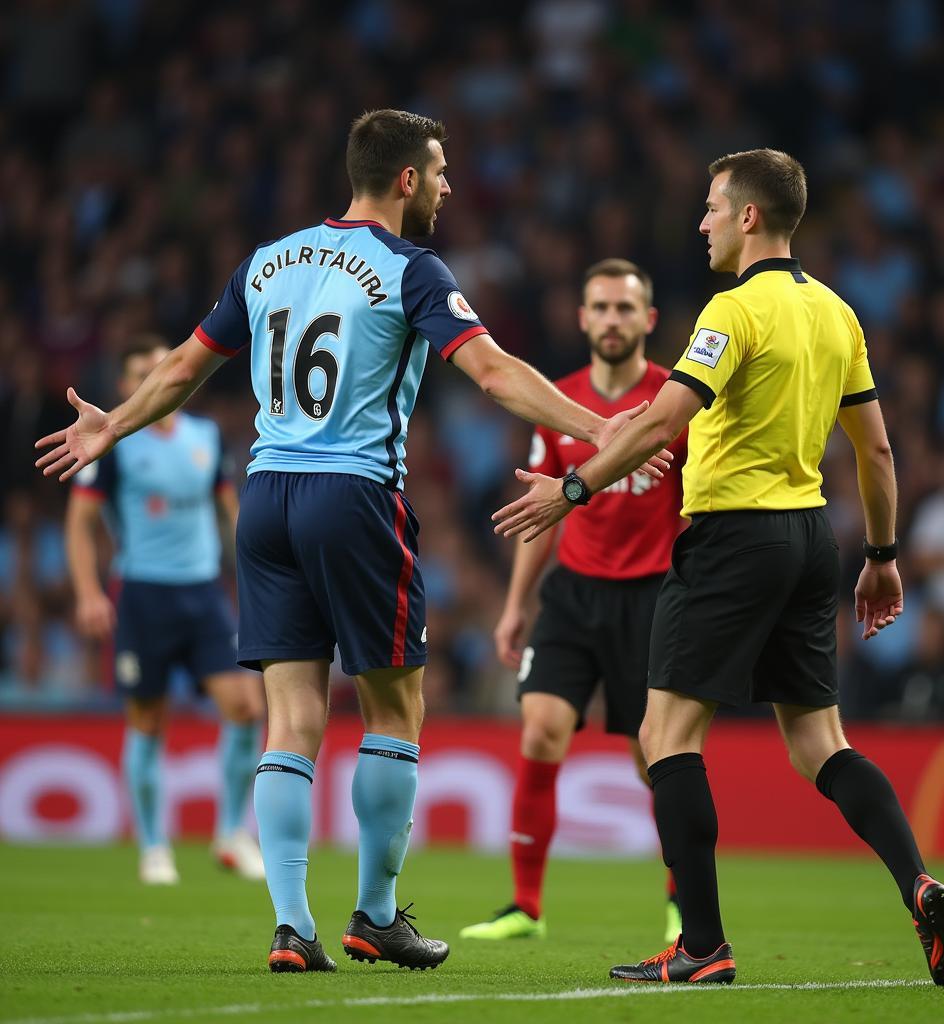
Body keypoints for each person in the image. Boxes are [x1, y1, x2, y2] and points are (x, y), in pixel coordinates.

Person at [36, 109, 671, 974]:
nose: (447, 187)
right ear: (406, 179)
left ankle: (291, 925)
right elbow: (492, 371)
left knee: (290, 716)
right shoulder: (409, 268)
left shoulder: (268, 260)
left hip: (266, 498)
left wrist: (114, 425)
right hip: (353, 496)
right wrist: (598, 430)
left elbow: (183, 367)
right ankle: (373, 914)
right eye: (440, 172)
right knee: (393, 707)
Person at [492, 148, 944, 988]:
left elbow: (658, 422)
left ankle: (703, 946)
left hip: (729, 540)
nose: (703, 221)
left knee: (664, 736)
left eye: (714, 207)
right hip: (810, 540)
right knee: (822, 743)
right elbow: (879, 451)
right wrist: (884, 558)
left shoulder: (732, 312)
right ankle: (920, 882)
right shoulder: (838, 315)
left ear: (750, 216)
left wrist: (570, 489)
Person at [460, 258, 688, 944]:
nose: (612, 320)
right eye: (601, 308)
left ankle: (684, 900)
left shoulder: (676, 402)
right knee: (540, 730)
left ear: (647, 320)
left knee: (655, 755)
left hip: (652, 595)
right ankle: (525, 906)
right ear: (583, 318)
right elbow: (542, 510)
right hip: (573, 594)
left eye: (625, 308)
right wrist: (514, 604)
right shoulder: (556, 402)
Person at [65, 337, 265, 885]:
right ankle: (154, 846)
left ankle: (229, 834)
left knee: (245, 708)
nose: (155, 378)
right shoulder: (115, 444)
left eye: (162, 369)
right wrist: (87, 592)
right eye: (140, 373)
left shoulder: (205, 437)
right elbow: (81, 522)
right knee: (148, 721)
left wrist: (262, 573)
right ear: (127, 388)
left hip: (202, 594)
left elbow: (234, 514)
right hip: (144, 594)